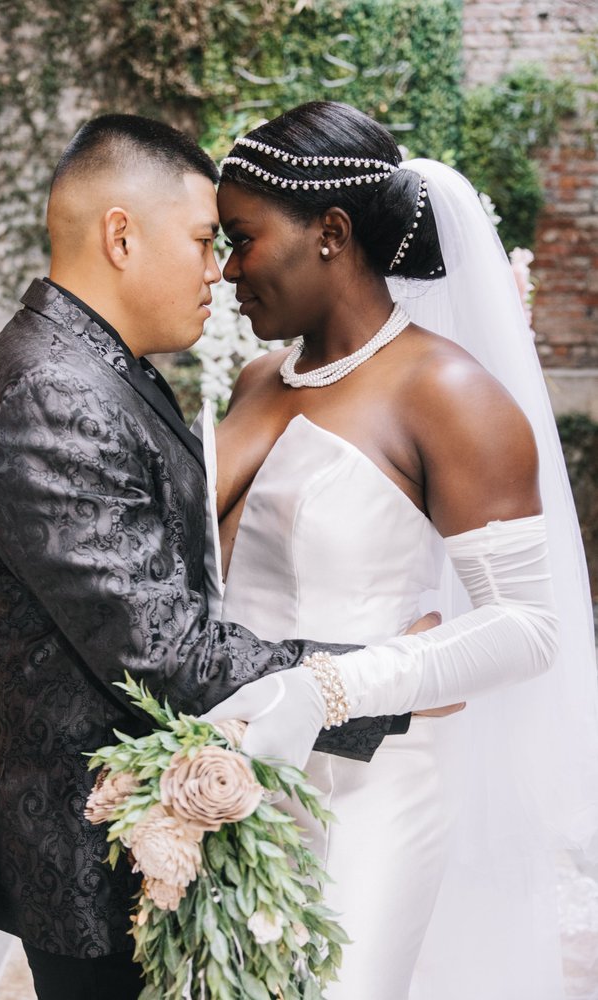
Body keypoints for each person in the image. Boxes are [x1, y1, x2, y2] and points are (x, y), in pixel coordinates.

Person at [0, 113, 425, 1000]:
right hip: (92, 857)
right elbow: (164, 651)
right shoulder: (54, 392)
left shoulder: (98, 365)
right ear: (120, 236)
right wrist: (390, 677)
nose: (219, 269)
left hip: (137, 839)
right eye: (205, 240)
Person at [202, 101, 598, 999]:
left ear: (331, 233)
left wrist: (328, 687)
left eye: (243, 240)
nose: (227, 270)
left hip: (370, 788)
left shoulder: (447, 391)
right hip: (230, 775)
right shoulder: (257, 379)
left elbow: (528, 627)